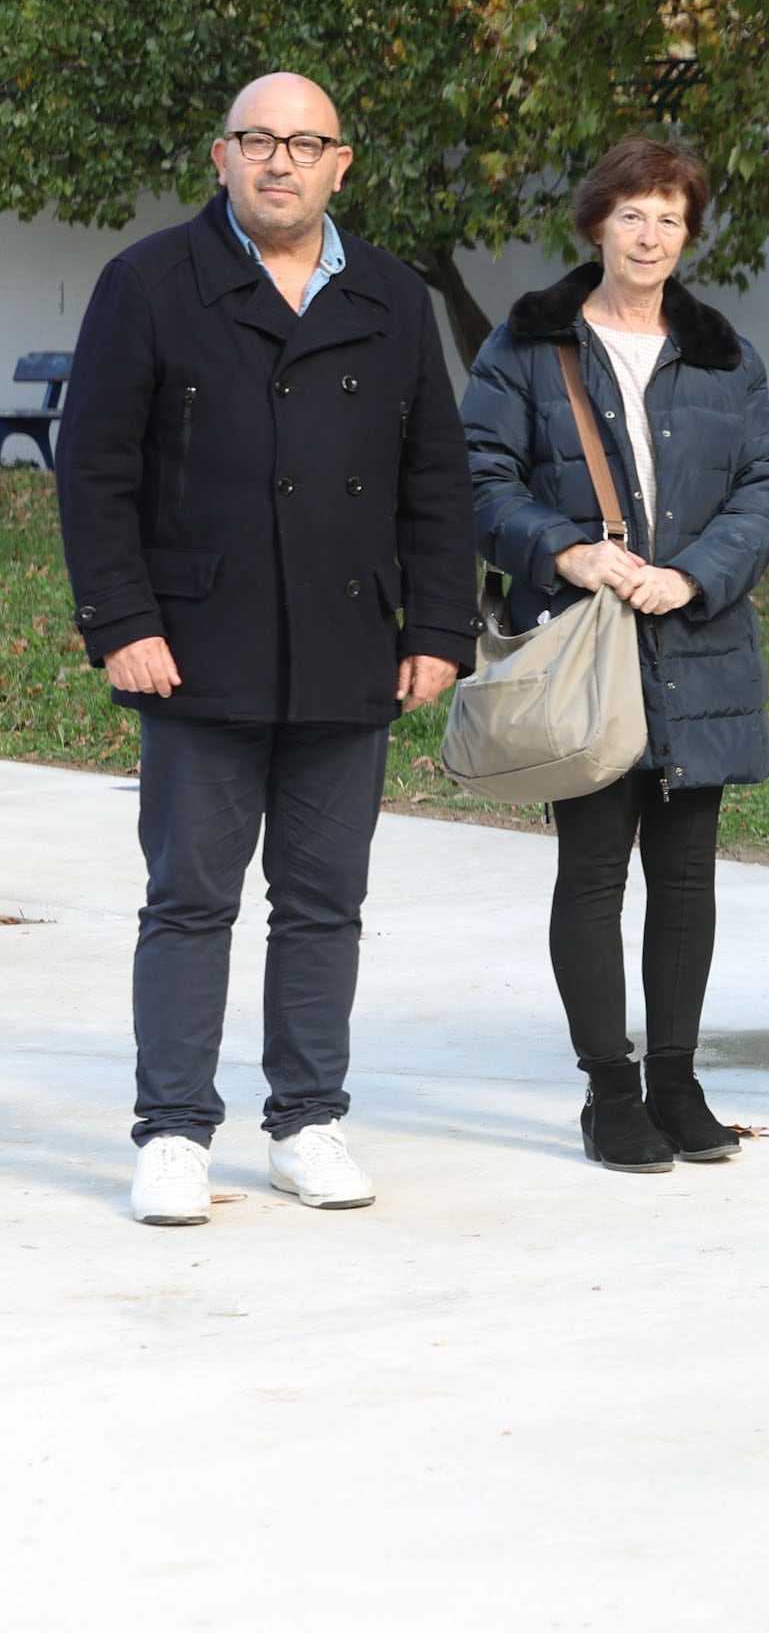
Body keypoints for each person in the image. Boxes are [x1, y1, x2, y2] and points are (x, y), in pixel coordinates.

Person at [58, 72, 475, 1226]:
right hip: (195, 645)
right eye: (257, 140)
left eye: (304, 142)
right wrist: (122, 622)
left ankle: (306, 1121)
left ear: (343, 162)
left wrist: (439, 628)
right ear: (220, 157)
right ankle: (175, 1131)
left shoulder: (391, 295)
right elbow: (95, 471)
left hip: (349, 642)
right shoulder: (149, 283)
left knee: (324, 902)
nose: (280, 160)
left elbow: (436, 477)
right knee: (190, 898)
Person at [462, 136, 769, 1174]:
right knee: (596, 869)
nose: (650, 233)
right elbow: (476, 475)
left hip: (696, 639)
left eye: (670, 216)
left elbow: (765, 483)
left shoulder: (724, 352)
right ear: (597, 223)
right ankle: (610, 1092)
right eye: (633, 213)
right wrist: (568, 549)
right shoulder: (526, 344)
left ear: (688, 234)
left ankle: (677, 1081)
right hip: (586, 643)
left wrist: (691, 573)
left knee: (686, 874)